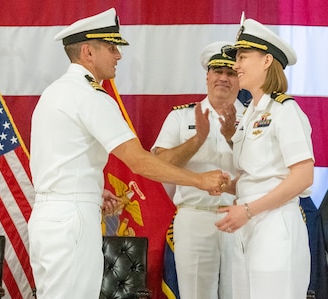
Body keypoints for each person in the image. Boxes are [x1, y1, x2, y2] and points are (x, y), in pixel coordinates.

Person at [28, 8, 229, 299]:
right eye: (111, 48)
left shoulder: (53, 92)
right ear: (88, 52)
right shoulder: (89, 95)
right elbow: (138, 160)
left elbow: (58, 159)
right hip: (72, 220)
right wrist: (200, 181)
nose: (118, 55)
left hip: (49, 216)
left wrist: (93, 192)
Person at [215, 18, 315, 298]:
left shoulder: (285, 111)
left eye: (243, 56)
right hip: (249, 223)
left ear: (267, 60)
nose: (236, 65)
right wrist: (230, 186)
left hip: (274, 224)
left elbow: (303, 177)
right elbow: (261, 175)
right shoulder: (251, 113)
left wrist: (248, 210)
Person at [151, 41, 244, 299]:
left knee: (242, 293)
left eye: (231, 72)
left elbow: (263, 169)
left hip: (242, 218)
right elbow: (159, 167)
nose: (223, 78)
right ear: (207, 76)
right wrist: (197, 140)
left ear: (240, 78)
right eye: (218, 71)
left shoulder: (253, 118)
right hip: (195, 217)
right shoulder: (181, 117)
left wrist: (231, 136)